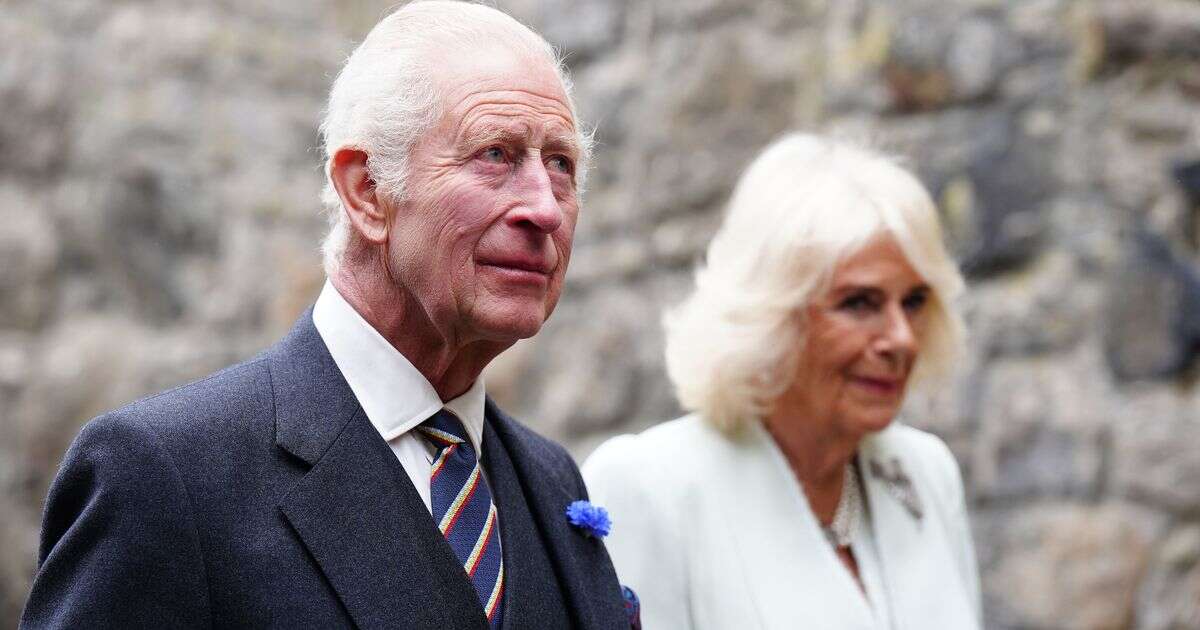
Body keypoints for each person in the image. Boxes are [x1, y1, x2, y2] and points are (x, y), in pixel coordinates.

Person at [21, 3, 636, 628]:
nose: (545, 208)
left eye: (561, 164)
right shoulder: (165, 476)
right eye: (496, 154)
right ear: (367, 191)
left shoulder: (550, 480)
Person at [583, 134, 982, 629]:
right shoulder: (650, 486)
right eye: (860, 303)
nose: (901, 338)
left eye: (915, 302)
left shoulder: (924, 472)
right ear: (772, 317)